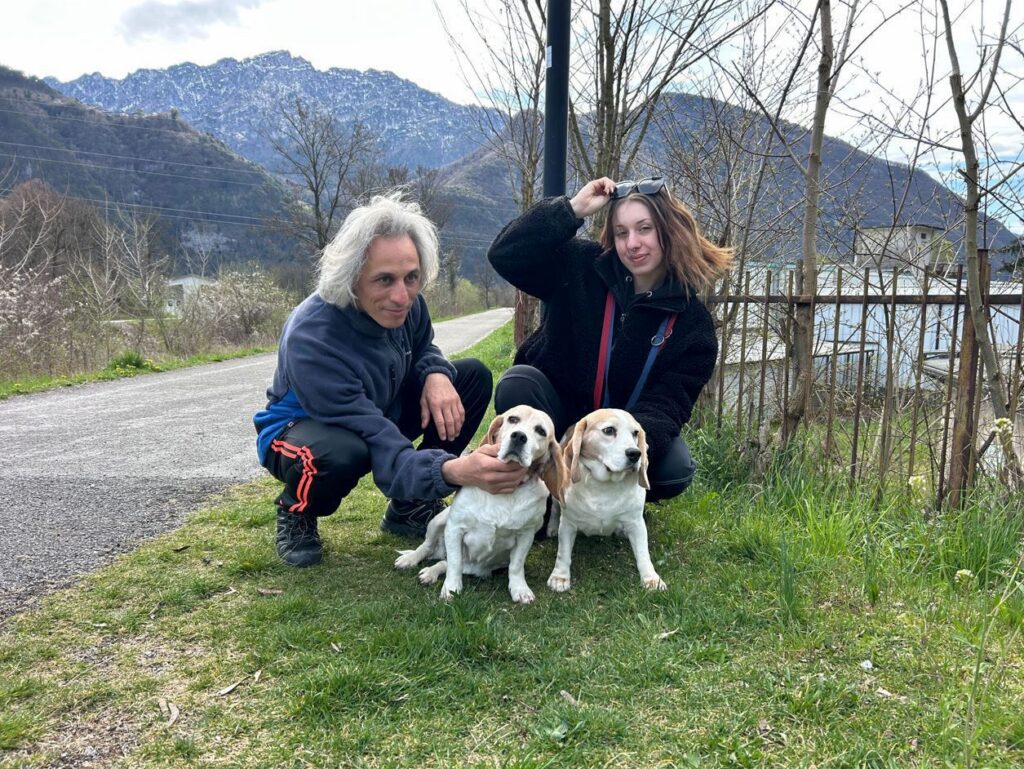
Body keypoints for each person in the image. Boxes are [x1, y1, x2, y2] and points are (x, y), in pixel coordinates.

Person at [255, 192, 528, 567]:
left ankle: (410, 506)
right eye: (384, 280)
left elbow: (424, 346)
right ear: (351, 278)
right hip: (303, 430)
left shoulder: (408, 303)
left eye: (411, 277)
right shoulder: (313, 337)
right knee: (340, 453)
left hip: (376, 409)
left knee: (470, 378)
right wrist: (452, 471)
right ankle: (297, 510)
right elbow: (376, 436)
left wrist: (435, 373)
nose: (402, 296)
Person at [488, 176, 732, 505]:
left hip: (616, 434)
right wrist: (571, 210)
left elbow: (666, 407)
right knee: (518, 383)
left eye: (644, 229)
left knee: (673, 467)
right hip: (557, 415)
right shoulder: (581, 265)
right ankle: (538, 495)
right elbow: (505, 255)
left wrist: (611, 441)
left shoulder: (693, 325)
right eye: (621, 232)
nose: (633, 243)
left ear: (669, 231)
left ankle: (612, 500)